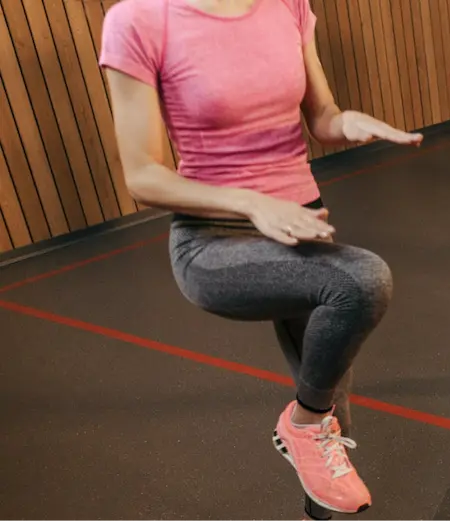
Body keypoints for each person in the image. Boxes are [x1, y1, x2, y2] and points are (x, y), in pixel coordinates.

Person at [99, 0, 422, 518]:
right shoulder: (139, 19)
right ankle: (301, 423)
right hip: (213, 240)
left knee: (331, 412)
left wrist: (348, 122)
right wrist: (251, 202)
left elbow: (323, 117)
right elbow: (142, 175)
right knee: (363, 282)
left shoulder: (288, 5)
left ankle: (312, 446)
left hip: (300, 226)